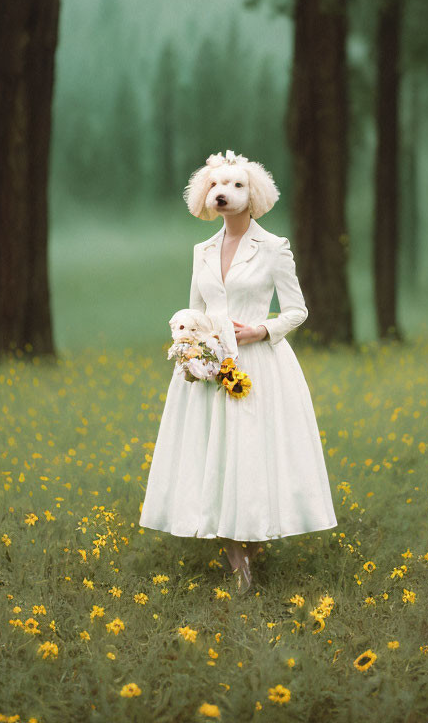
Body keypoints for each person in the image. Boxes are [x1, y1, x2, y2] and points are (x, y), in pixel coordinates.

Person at [139, 150, 338, 593]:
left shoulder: (274, 249)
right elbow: (195, 308)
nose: (223, 192)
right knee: (216, 454)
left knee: (251, 455)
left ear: (253, 196)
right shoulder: (202, 251)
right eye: (216, 186)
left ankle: (250, 546)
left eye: (234, 186)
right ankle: (237, 561)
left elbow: (297, 311)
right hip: (209, 366)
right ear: (207, 196)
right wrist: (189, 346)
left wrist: (260, 331)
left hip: (260, 365)